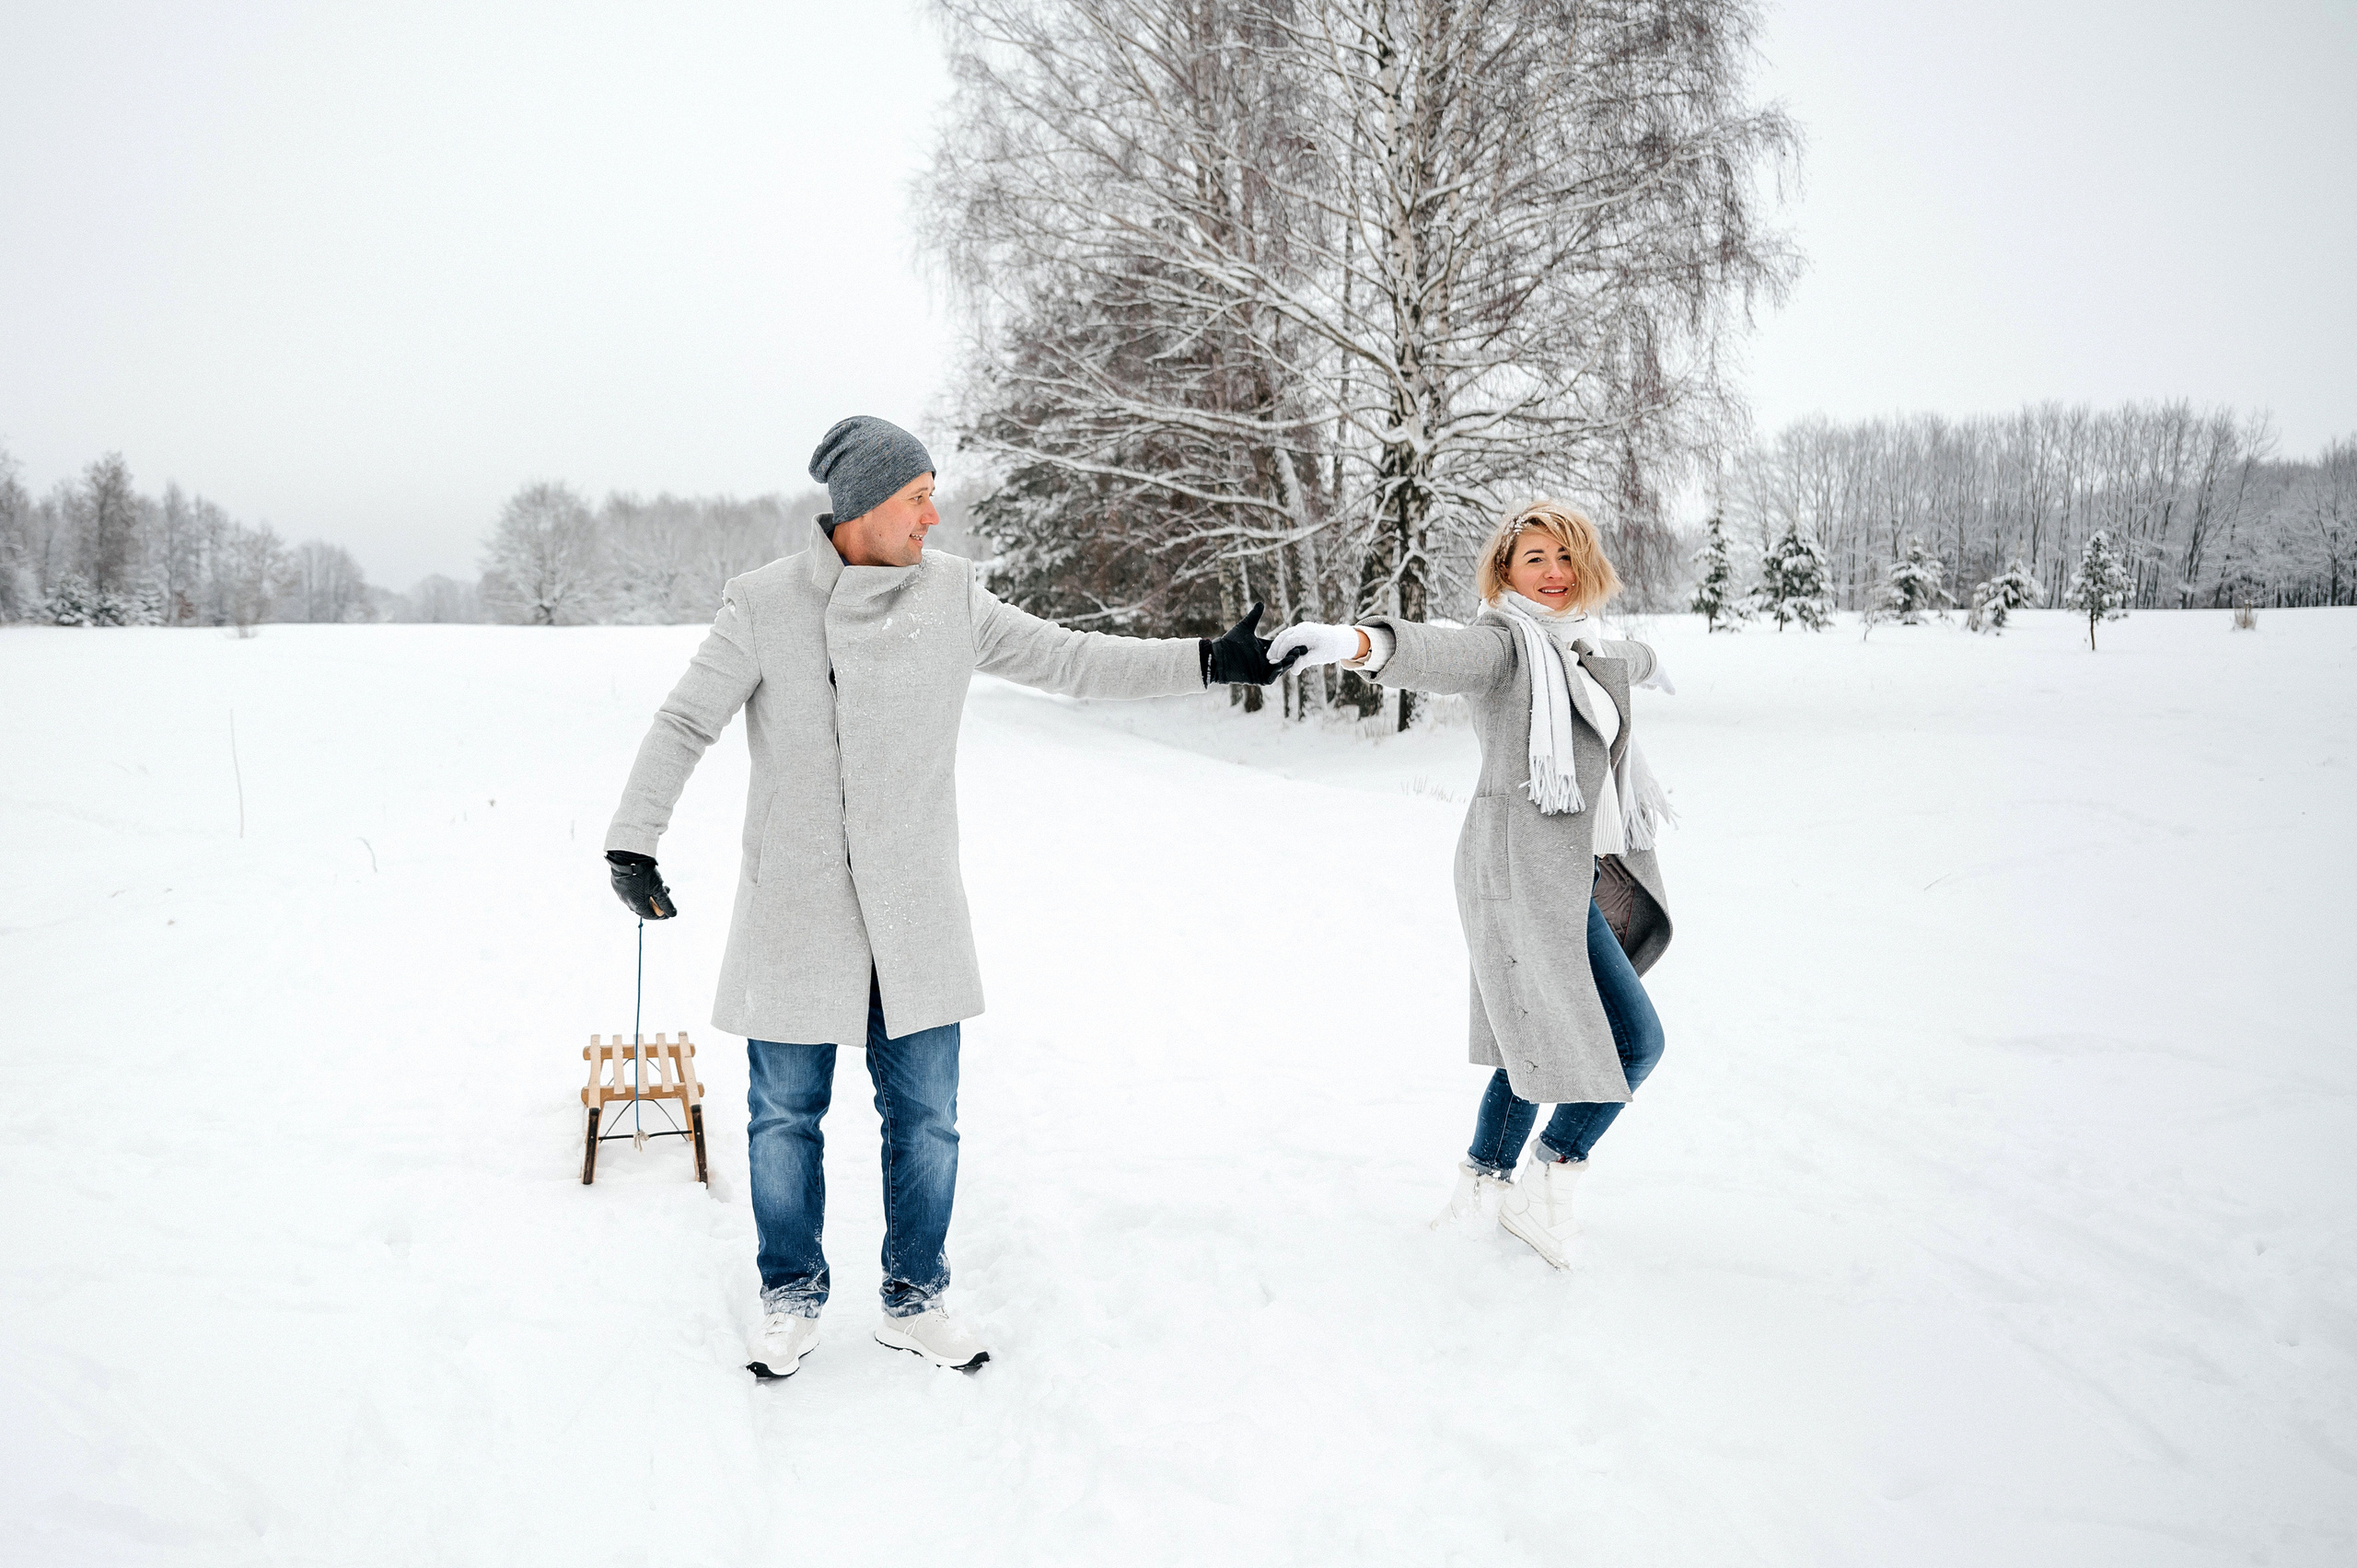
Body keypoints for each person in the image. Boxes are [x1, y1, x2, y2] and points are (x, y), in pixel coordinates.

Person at [603, 415, 1291, 1377]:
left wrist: (1208, 661)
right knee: (783, 1116)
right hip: (798, 906)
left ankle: (914, 1295)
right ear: (861, 508)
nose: (935, 513)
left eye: (933, 493)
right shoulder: (763, 604)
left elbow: (1072, 662)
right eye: (916, 496)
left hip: (914, 908)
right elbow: (684, 720)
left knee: (926, 1116)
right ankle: (790, 1290)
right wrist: (634, 838)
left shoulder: (953, 595)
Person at [1268, 501, 1677, 1268]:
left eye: (1565, 556)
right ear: (1505, 571)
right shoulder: (1504, 647)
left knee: (1531, 1034)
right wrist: (1354, 643)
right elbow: (1436, 654)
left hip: (1572, 873)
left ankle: (1480, 1191)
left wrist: (1651, 662)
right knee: (1635, 1041)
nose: (1552, 573)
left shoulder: (1584, 649)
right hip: (1518, 873)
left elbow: (1629, 652)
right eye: (1535, 559)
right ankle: (1547, 1183)